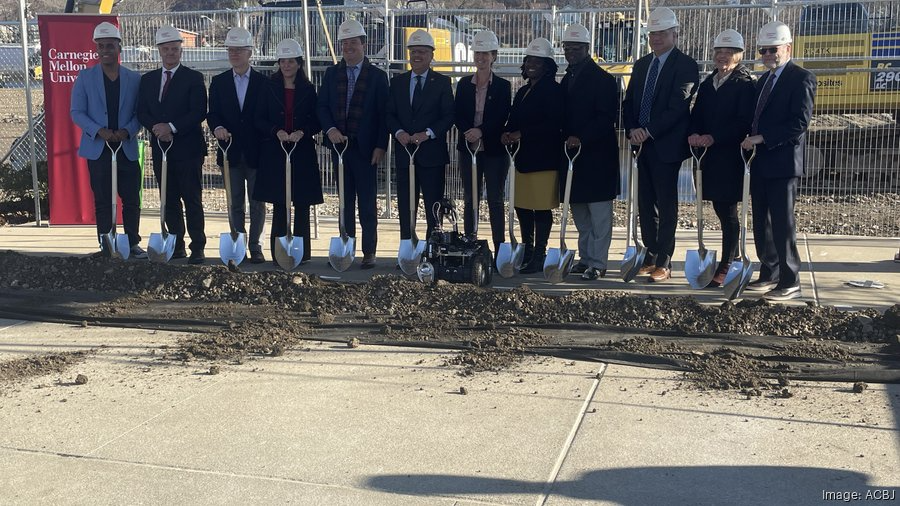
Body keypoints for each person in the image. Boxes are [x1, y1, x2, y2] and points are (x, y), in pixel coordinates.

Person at [622, 7, 699, 282]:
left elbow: (677, 106)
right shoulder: (642, 65)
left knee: (666, 204)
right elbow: (629, 101)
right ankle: (651, 253)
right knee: (645, 202)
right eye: (652, 33)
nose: (656, 38)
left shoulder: (686, 65)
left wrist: (648, 131)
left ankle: (665, 260)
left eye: (661, 33)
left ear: (674, 35)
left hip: (665, 145)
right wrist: (632, 129)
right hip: (640, 144)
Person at [741, 21, 816, 301]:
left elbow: (799, 122)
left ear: (787, 48)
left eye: (772, 50)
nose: (767, 55)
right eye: (763, 51)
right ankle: (769, 271)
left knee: (783, 223)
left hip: (783, 161)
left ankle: (790, 279)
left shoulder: (802, 78)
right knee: (763, 221)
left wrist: (762, 138)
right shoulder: (764, 81)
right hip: (760, 162)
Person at [317, 20, 390, 269]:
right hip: (340, 149)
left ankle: (369, 251)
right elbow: (322, 107)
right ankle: (346, 248)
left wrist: (381, 146)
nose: (348, 47)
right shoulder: (332, 74)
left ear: (363, 44)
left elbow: (384, 115)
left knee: (367, 203)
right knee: (344, 202)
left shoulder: (378, 77)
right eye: (344, 43)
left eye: (353, 43)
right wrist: (331, 129)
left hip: (366, 149)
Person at [70, 22, 145, 259]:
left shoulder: (134, 79)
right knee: (103, 199)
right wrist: (98, 130)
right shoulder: (85, 77)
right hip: (98, 148)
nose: (105, 50)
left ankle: (132, 243)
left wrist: (127, 131)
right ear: (96, 49)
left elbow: (140, 113)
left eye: (110, 46)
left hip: (126, 147)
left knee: (131, 198)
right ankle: (107, 245)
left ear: (119, 47)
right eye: (100, 46)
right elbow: (77, 112)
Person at [687, 29, 755, 287]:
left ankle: (729, 261)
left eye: (728, 52)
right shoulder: (708, 83)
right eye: (719, 52)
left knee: (728, 213)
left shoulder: (745, 84)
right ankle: (728, 256)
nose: (722, 56)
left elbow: (743, 122)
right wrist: (694, 132)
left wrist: (714, 137)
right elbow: (698, 114)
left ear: (739, 55)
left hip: (730, 157)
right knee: (718, 207)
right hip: (708, 157)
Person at [137, 25, 208, 264]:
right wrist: (157, 128)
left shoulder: (193, 78)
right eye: (166, 49)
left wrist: (172, 127)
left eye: (175, 49)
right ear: (159, 50)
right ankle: (176, 244)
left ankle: (197, 245)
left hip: (187, 149)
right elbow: (142, 111)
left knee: (192, 198)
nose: (170, 53)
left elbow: (198, 111)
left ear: (181, 51)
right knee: (168, 198)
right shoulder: (147, 80)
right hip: (161, 147)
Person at [253, 39, 323, 264]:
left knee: (301, 201)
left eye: (291, 61)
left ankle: (301, 253)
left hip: (301, 152)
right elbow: (259, 118)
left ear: (299, 63)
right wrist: (277, 131)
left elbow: (317, 119)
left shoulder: (308, 89)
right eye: (283, 61)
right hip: (276, 151)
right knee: (280, 201)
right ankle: (279, 252)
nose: (286, 65)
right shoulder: (268, 87)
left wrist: (303, 132)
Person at [559, 23, 620, 281]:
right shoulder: (566, 78)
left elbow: (606, 119)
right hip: (573, 158)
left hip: (597, 158)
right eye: (567, 48)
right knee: (581, 215)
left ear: (587, 49)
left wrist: (580, 137)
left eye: (576, 48)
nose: (571, 52)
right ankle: (585, 259)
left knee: (599, 216)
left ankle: (599, 262)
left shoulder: (604, 80)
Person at [501, 37, 564, 275]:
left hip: (543, 158)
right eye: (528, 60)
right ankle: (527, 249)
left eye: (537, 61)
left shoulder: (553, 91)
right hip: (523, 158)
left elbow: (552, 123)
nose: (531, 65)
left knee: (540, 208)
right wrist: (506, 132)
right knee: (523, 206)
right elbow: (514, 118)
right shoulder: (524, 91)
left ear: (548, 65)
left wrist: (521, 133)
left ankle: (540, 253)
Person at [386, 29, 454, 244]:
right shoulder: (397, 83)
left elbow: (448, 116)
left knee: (433, 205)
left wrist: (428, 134)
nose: (417, 56)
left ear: (432, 55)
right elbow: (389, 114)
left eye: (422, 52)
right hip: (405, 154)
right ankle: (408, 245)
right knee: (406, 204)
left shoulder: (442, 83)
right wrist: (399, 133)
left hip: (432, 155)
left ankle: (432, 247)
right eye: (413, 51)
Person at [207, 27, 268, 264]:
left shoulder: (263, 82)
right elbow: (213, 114)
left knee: (257, 203)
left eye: (239, 50)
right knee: (234, 203)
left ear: (249, 52)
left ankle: (256, 246)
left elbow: (267, 115)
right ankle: (237, 244)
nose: (234, 54)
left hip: (255, 152)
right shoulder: (219, 82)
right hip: (229, 152)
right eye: (231, 50)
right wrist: (217, 128)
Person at [454, 29, 511, 261]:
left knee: (495, 200)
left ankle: (499, 249)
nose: (481, 58)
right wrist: (469, 132)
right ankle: (471, 243)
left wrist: (481, 131)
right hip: (468, 148)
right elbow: (457, 113)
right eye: (477, 53)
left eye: (485, 53)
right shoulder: (463, 84)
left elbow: (501, 115)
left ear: (494, 55)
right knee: (471, 199)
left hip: (494, 150)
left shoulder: (503, 86)